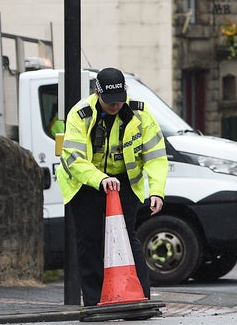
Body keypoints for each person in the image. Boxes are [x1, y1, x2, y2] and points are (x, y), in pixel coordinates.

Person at [56, 67, 167, 306]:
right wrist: (99, 179)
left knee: (128, 238)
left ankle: (140, 298)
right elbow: (73, 157)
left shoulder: (139, 112)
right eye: (109, 102)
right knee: (90, 242)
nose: (115, 106)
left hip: (124, 181)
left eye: (119, 101)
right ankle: (95, 302)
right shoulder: (81, 114)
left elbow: (156, 156)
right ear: (97, 93)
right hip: (84, 183)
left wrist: (156, 191)